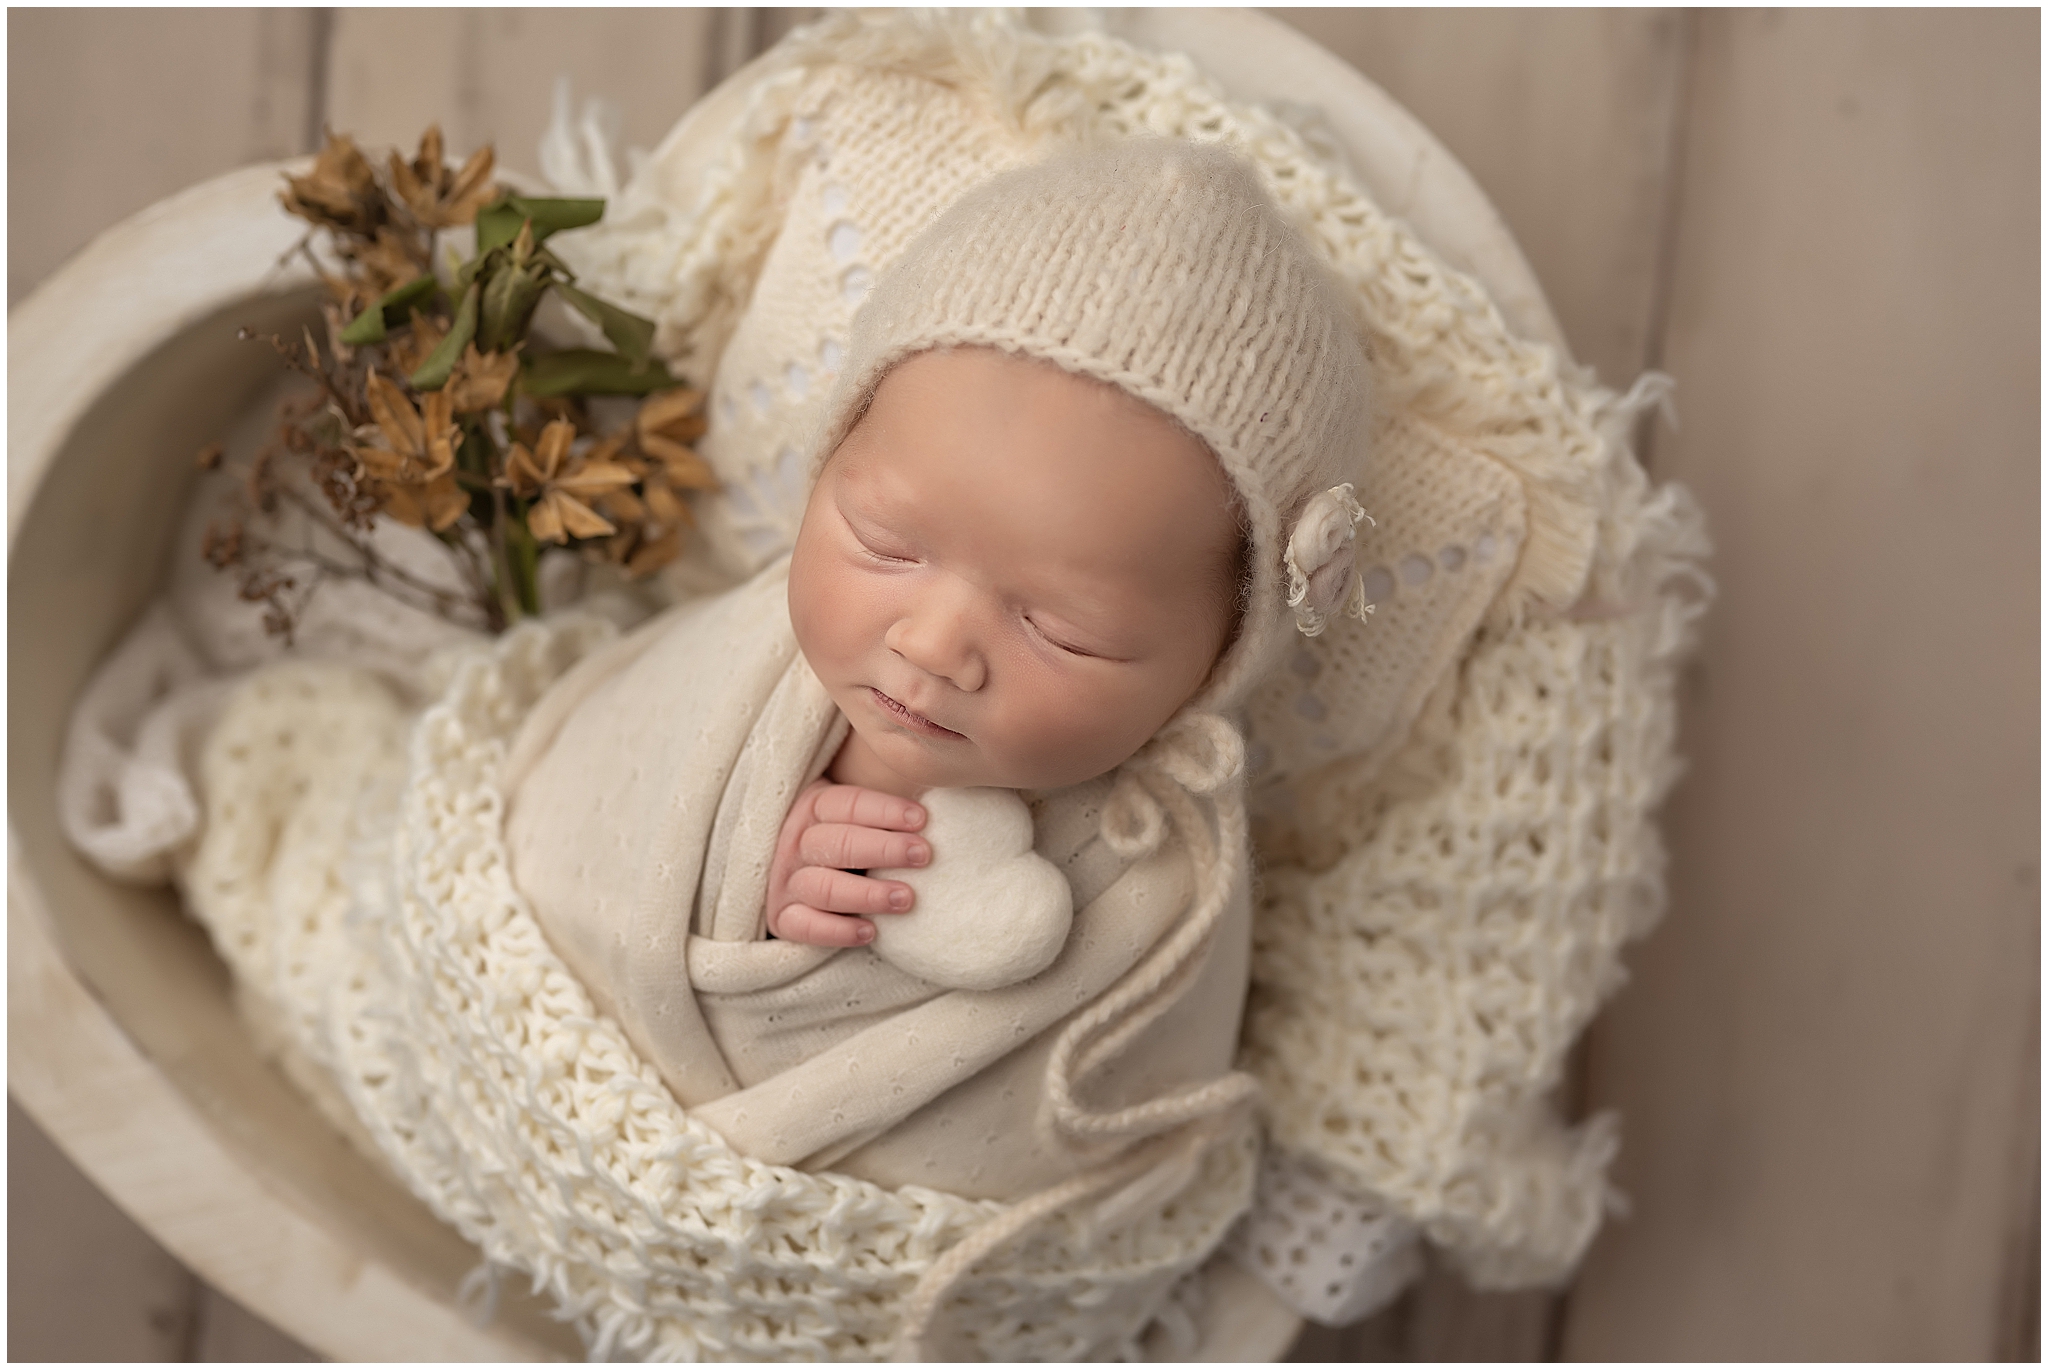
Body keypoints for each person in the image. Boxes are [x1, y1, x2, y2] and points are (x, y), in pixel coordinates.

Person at [501, 136, 1372, 1205]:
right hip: (552, 1081)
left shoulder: (1160, 883)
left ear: (1213, 666)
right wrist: (746, 868)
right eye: (884, 542)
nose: (931, 645)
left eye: (1063, 628)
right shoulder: (741, 671)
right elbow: (590, 816)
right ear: (828, 467)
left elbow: (1098, 1127)